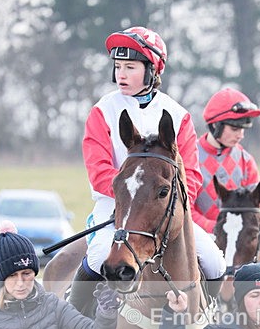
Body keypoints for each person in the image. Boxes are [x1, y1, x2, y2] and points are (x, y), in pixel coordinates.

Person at [70, 26, 225, 312]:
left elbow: (191, 174)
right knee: (97, 258)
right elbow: (98, 169)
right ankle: (74, 328)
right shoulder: (102, 111)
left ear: (152, 70)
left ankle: (212, 318)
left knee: (214, 260)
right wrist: (132, 196)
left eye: (130, 67)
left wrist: (169, 203)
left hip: (167, 206)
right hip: (117, 205)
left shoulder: (178, 115)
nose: (121, 75)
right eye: (118, 67)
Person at [194, 87, 260, 281]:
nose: (240, 135)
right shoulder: (191, 157)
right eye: (235, 128)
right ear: (216, 125)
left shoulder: (245, 160)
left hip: (241, 238)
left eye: (243, 129)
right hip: (205, 236)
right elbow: (185, 207)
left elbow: (259, 205)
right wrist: (215, 227)